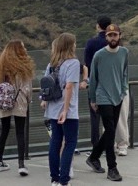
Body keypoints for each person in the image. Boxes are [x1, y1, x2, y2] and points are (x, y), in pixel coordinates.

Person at [85, 23, 127, 182]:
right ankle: (112, 168)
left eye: (115, 34)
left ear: (119, 36)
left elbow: (124, 73)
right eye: (110, 35)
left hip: (118, 96)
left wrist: (123, 89)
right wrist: (93, 99)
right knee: (110, 131)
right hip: (103, 97)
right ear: (106, 37)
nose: (113, 38)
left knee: (110, 131)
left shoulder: (124, 52)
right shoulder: (99, 55)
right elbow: (93, 78)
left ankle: (94, 157)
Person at [43, 33, 80, 186]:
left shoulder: (52, 64)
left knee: (55, 143)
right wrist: (65, 110)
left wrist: (44, 102)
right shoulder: (73, 63)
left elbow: (45, 85)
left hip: (52, 109)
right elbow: (69, 86)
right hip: (68, 111)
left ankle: (55, 179)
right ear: (70, 45)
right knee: (70, 143)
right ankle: (64, 180)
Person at [0, 40, 34, 176]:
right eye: (23, 47)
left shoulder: (1, 65)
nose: (25, 49)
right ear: (19, 50)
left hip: (3, 101)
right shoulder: (23, 66)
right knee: (20, 132)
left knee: (4, 130)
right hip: (19, 100)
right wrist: (29, 100)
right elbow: (27, 87)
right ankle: (21, 164)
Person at [84, 16, 111, 150]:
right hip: (110, 83)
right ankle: (108, 145)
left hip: (95, 82)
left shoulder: (91, 43)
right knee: (110, 117)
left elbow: (87, 64)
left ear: (98, 26)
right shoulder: (112, 43)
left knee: (95, 117)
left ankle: (96, 146)